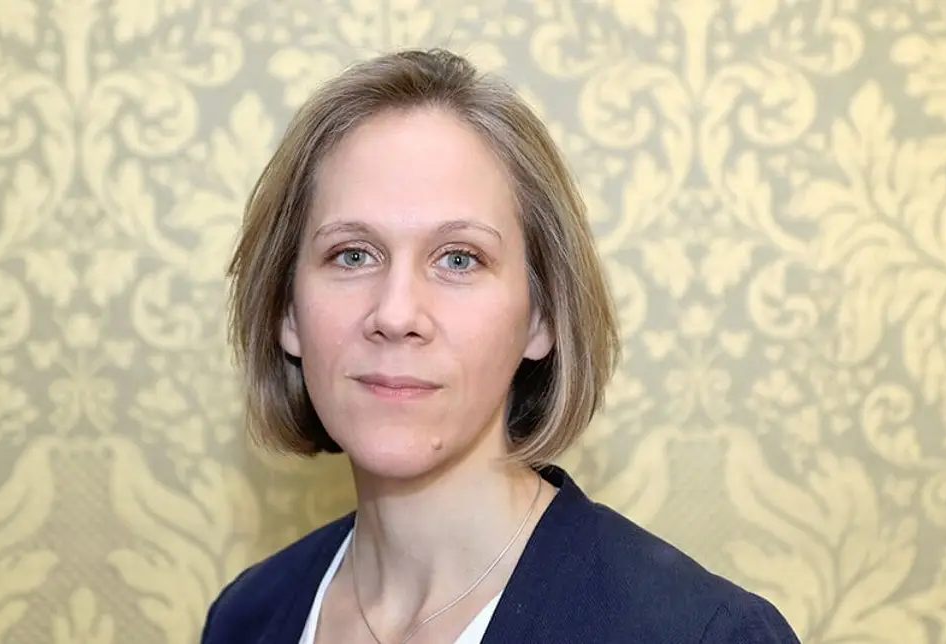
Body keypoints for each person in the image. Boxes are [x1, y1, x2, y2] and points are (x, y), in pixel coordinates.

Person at [202, 48, 801, 644]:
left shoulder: (705, 634)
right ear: (287, 311)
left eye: (459, 259)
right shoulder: (246, 617)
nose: (396, 314)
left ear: (541, 317)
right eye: (353, 255)